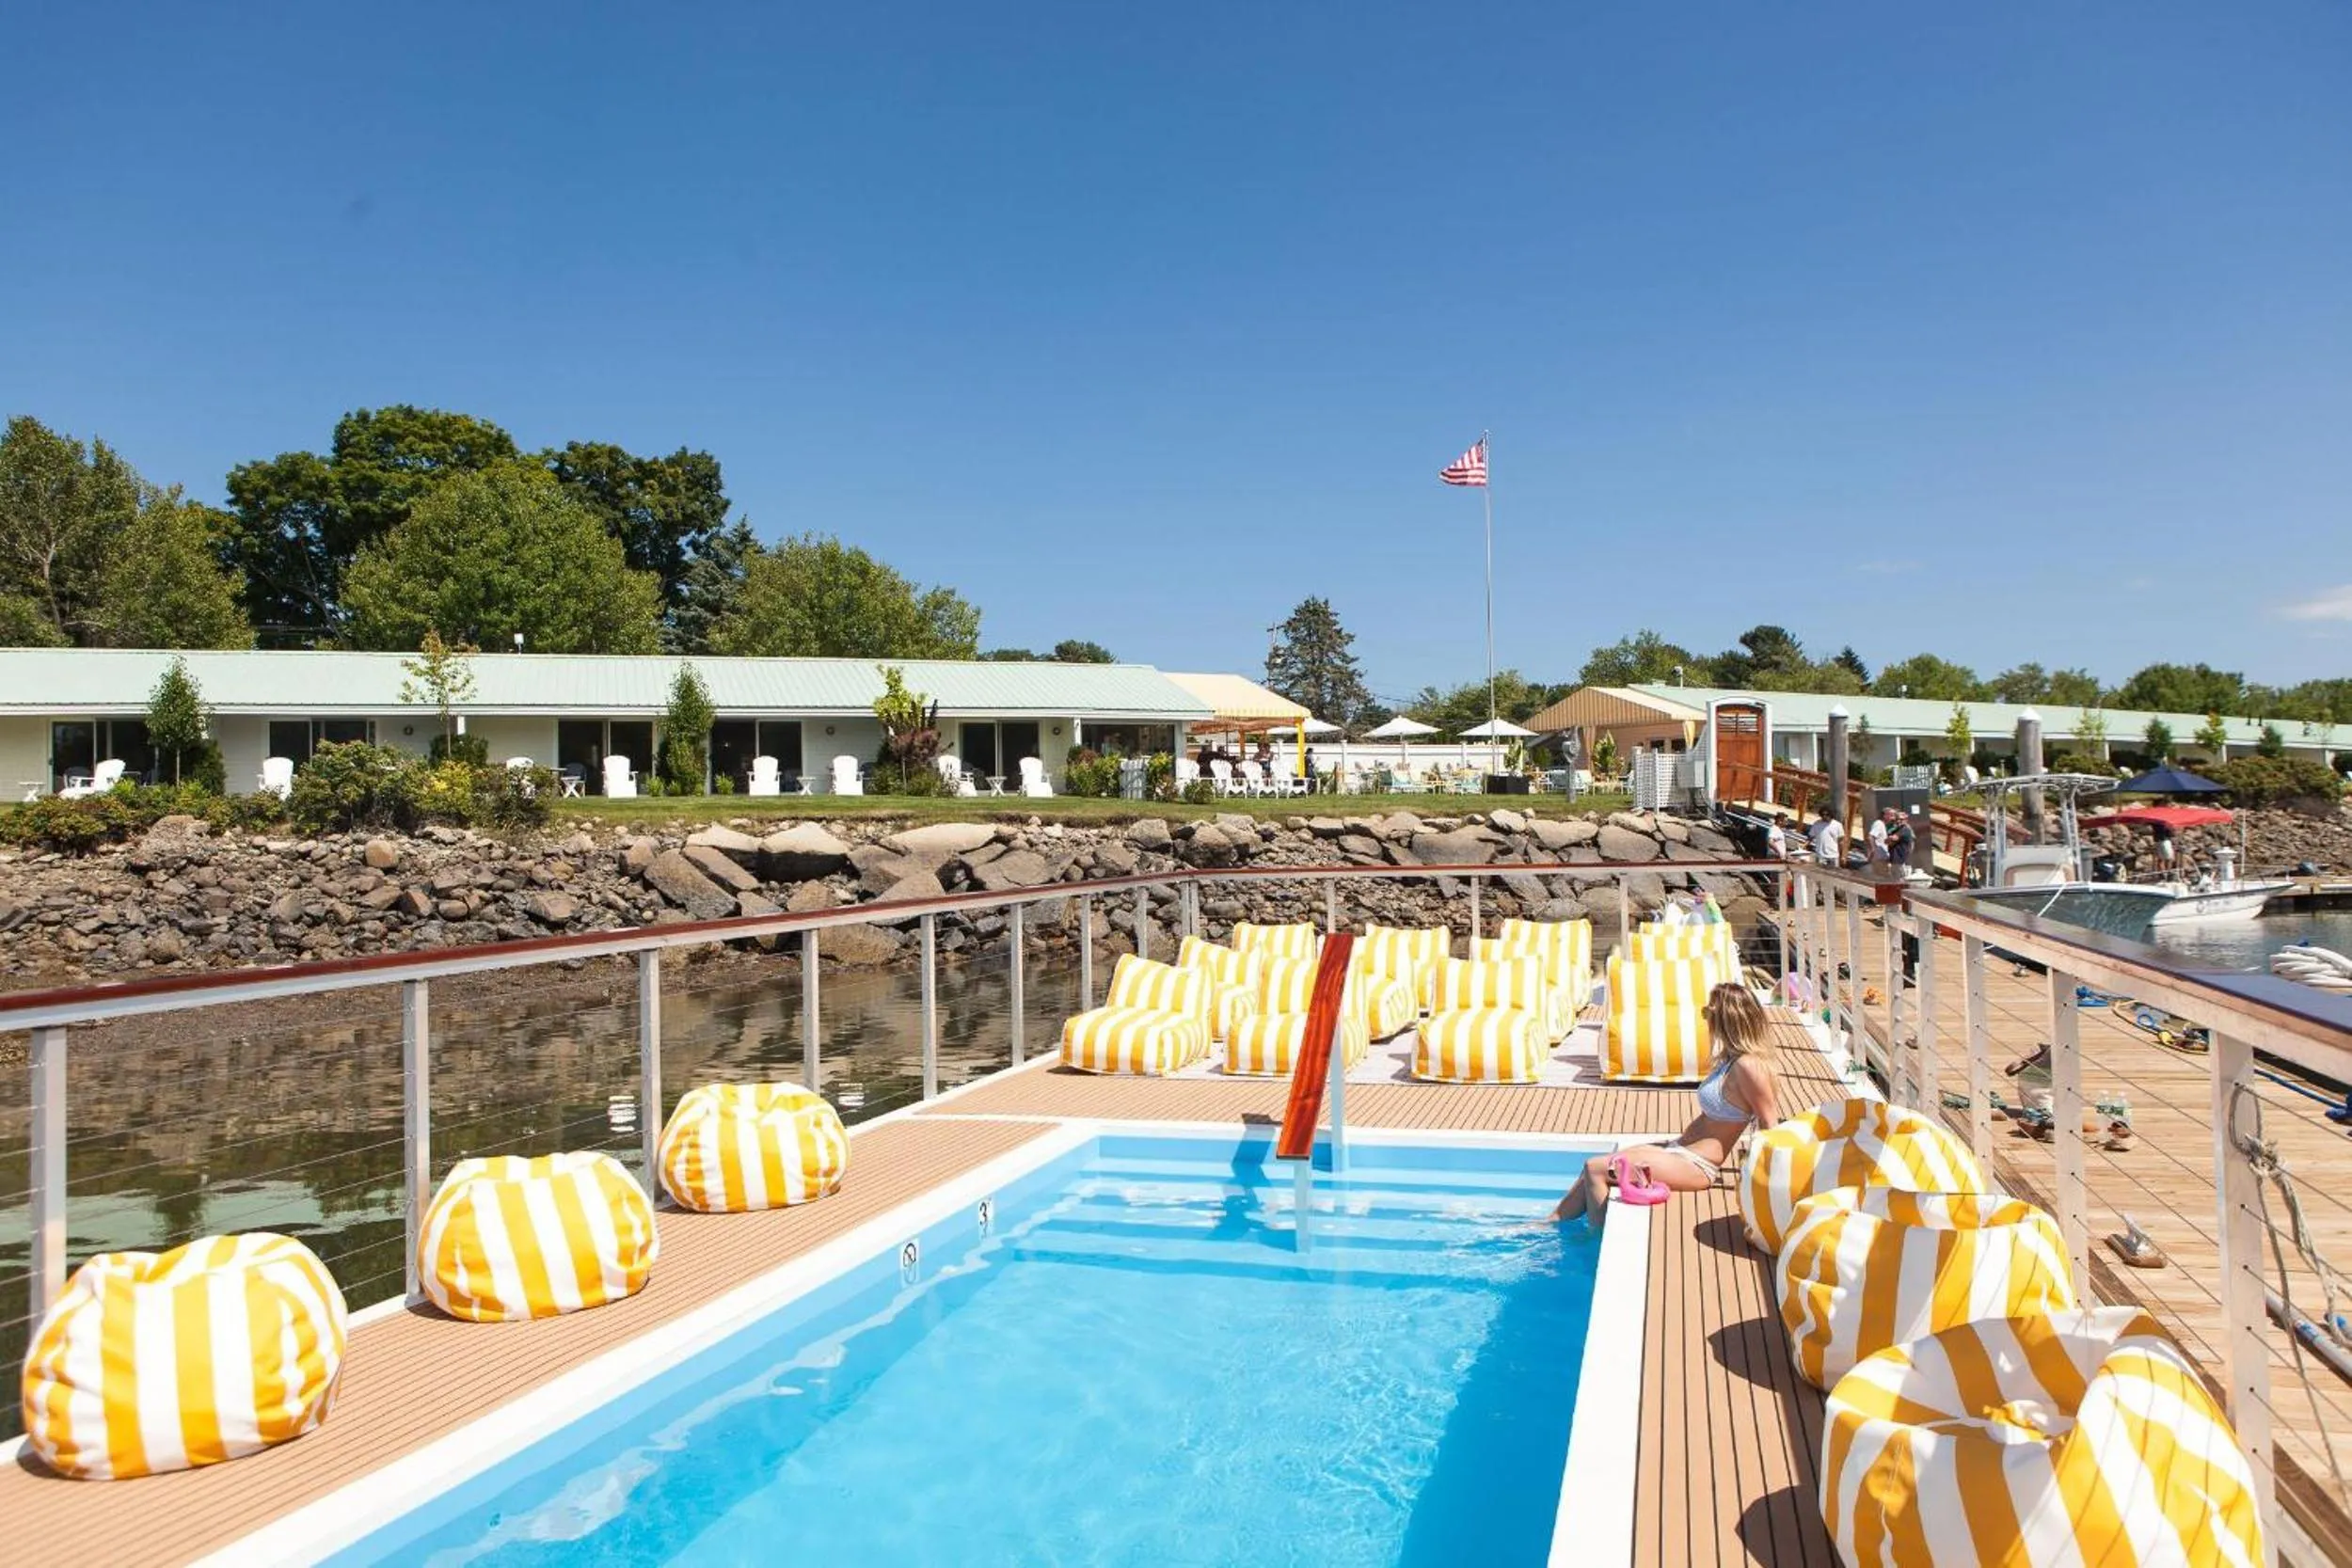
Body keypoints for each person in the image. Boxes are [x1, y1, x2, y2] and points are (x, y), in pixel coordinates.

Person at [1551, 985, 1782, 1230]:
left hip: (1696, 1165)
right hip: (1679, 1149)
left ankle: (1593, 1248)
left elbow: (1769, 1125)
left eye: (1707, 1012)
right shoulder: (1730, 1059)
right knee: (1592, 1169)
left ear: (1727, 1017)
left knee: (1595, 1169)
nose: (1706, 1020)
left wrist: (1767, 1186)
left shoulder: (1750, 1067)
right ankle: (1547, 1224)